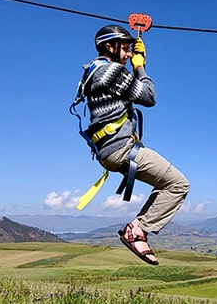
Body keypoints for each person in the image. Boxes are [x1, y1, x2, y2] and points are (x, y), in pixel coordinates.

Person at [76, 24, 190, 265]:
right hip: (121, 148)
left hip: (109, 150)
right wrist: (140, 67)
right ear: (110, 47)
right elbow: (149, 97)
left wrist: (137, 64)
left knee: (165, 185)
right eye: (125, 49)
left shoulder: (94, 71)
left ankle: (139, 228)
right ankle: (136, 231)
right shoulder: (111, 72)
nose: (128, 54)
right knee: (179, 184)